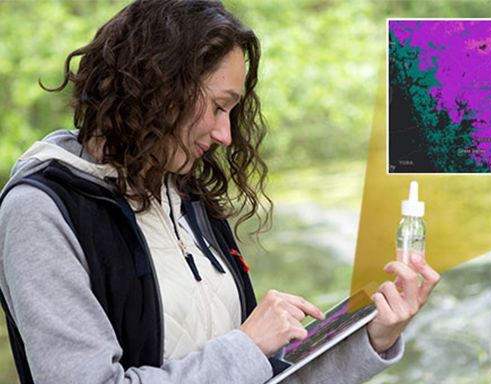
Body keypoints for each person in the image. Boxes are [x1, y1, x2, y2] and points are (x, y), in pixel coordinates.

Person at [0, 1, 440, 383]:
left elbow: (253, 376)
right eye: (217, 106)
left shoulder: (186, 195)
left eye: (232, 111)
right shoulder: (40, 212)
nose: (226, 134)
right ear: (159, 87)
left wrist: (371, 335)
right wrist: (247, 346)